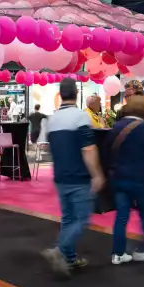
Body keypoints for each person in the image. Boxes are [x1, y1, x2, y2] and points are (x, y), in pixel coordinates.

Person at [42, 78, 104, 276]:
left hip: (60, 177)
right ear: (76, 93)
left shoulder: (51, 120)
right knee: (82, 219)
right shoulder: (80, 117)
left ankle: (69, 258)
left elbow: (49, 149)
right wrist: (97, 174)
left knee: (68, 218)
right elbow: (88, 149)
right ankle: (60, 250)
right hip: (79, 177)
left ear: (61, 94)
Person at [108, 95, 144, 265]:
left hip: (119, 178)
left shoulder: (116, 127)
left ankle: (117, 253)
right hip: (141, 179)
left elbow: (107, 153)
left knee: (121, 216)